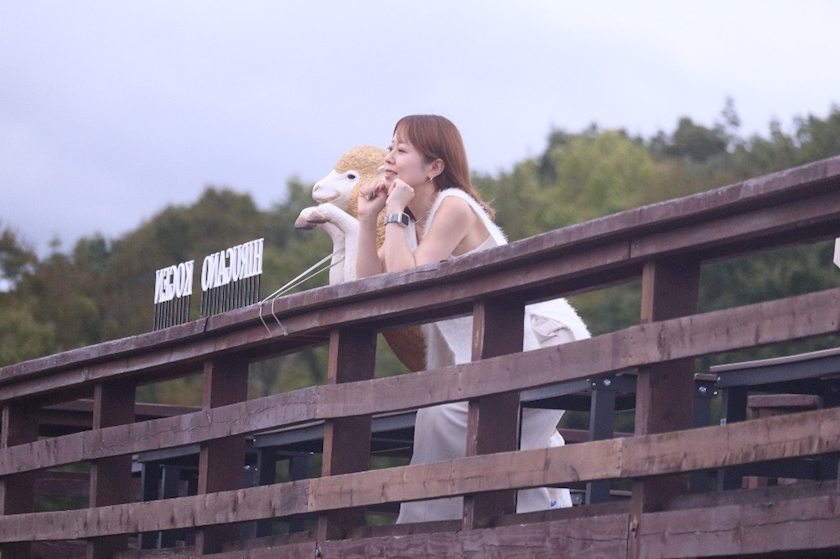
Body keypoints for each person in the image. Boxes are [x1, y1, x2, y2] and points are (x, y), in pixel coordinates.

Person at [357, 115, 584, 523]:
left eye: (401, 150)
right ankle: (526, 518)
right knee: (491, 448)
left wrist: (393, 211)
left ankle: (428, 532)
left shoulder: (454, 206)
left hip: (543, 344)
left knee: (449, 422)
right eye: (389, 148)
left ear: (434, 167)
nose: (387, 158)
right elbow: (370, 287)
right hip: (499, 354)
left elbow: (408, 284)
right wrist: (367, 218)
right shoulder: (407, 222)